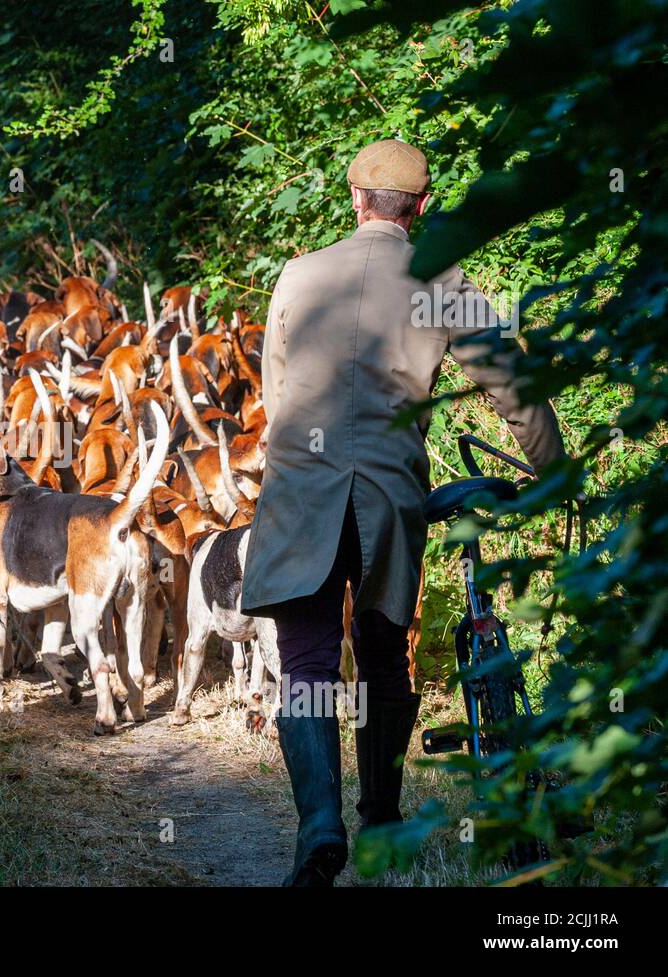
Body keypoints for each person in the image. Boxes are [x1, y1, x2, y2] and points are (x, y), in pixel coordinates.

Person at [239, 139, 565, 886]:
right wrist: (556, 473)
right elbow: (513, 389)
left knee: (309, 663)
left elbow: (277, 395)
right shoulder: (443, 283)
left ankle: (318, 823)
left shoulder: (298, 275)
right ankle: (377, 816)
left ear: (355, 199)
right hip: (388, 498)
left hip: (300, 493)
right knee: (385, 650)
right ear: (421, 207)